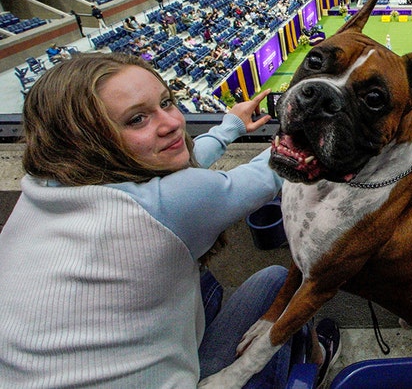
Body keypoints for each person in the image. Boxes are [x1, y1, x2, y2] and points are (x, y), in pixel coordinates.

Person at [0, 53, 340, 388]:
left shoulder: (43, 187)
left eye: (166, 102)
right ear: (86, 141)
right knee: (275, 281)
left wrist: (228, 129)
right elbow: (272, 170)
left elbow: (160, 174)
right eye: (137, 120)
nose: (173, 123)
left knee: (203, 284)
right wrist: (321, 123)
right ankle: (316, 359)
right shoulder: (166, 208)